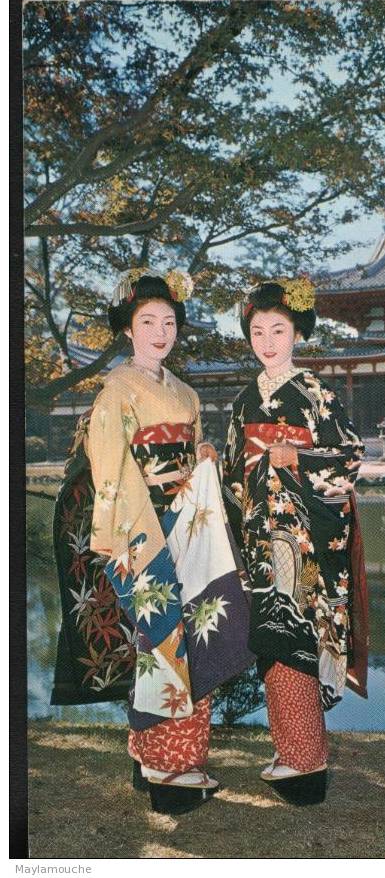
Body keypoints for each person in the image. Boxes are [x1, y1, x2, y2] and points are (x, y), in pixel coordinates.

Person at [51, 270, 254, 815]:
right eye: (147, 322)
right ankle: (168, 768)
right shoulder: (116, 390)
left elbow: (184, 459)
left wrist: (203, 456)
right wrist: (140, 539)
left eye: (168, 322)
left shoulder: (183, 392)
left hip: (183, 526)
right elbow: (111, 470)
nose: (160, 331)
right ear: (128, 330)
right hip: (136, 529)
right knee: (163, 640)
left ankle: (151, 755)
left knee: (193, 632)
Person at [221, 275, 369, 805]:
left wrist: (298, 457)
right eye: (257, 330)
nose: (267, 340)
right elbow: (234, 477)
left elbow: (350, 458)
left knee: (301, 636)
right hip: (260, 537)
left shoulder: (314, 391)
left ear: (297, 333)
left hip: (306, 540)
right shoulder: (243, 401)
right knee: (273, 637)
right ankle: (291, 752)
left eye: (277, 329)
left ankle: (307, 763)